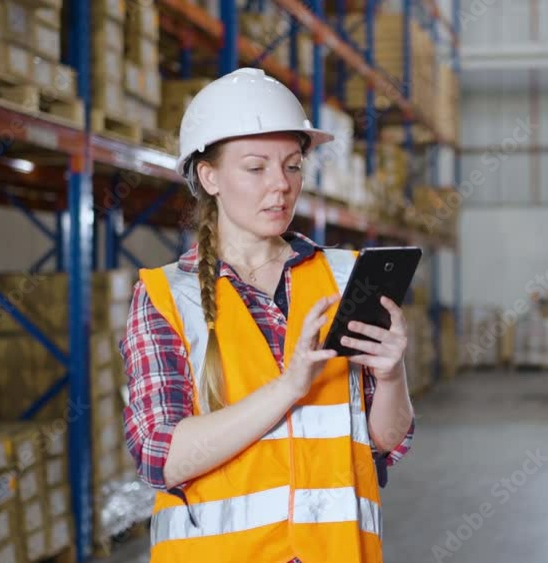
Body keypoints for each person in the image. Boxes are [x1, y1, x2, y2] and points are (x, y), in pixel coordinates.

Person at [120, 68, 415, 562]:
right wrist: (288, 387)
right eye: (256, 168)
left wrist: (391, 375)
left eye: (293, 166)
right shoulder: (166, 295)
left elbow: (384, 441)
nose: (280, 185)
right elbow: (160, 456)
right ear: (209, 176)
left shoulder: (345, 277)